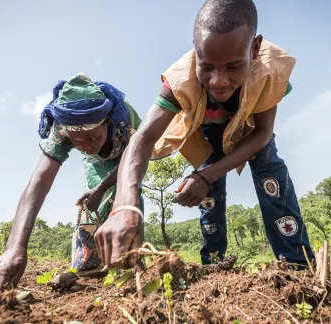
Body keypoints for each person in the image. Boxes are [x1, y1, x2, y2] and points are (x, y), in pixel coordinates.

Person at [95, 0, 315, 269]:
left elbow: (263, 133)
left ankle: (298, 266)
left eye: (233, 67)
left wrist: (206, 174)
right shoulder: (179, 80)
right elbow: (141, 140)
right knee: (207, 196)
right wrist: (124, 206)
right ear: (195, 50)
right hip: (207, 134)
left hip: (251, 133)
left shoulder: (270, 72)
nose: (218, 81)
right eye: (207, 67)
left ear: (255, 49)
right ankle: (214, 264)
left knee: (271, 176)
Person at [0, 73, 144, 291]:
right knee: (100, 208)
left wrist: (102, 188)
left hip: (128, 156)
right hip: (98, 163)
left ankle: (134, 263)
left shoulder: (124, 119)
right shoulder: (61, 127)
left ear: (106, 123)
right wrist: (15, 246)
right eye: (77, 142)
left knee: (126, 202)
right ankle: (101, 266)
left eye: (93, 137)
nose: (86, 146)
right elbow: (40, 178)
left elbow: (135, 160)